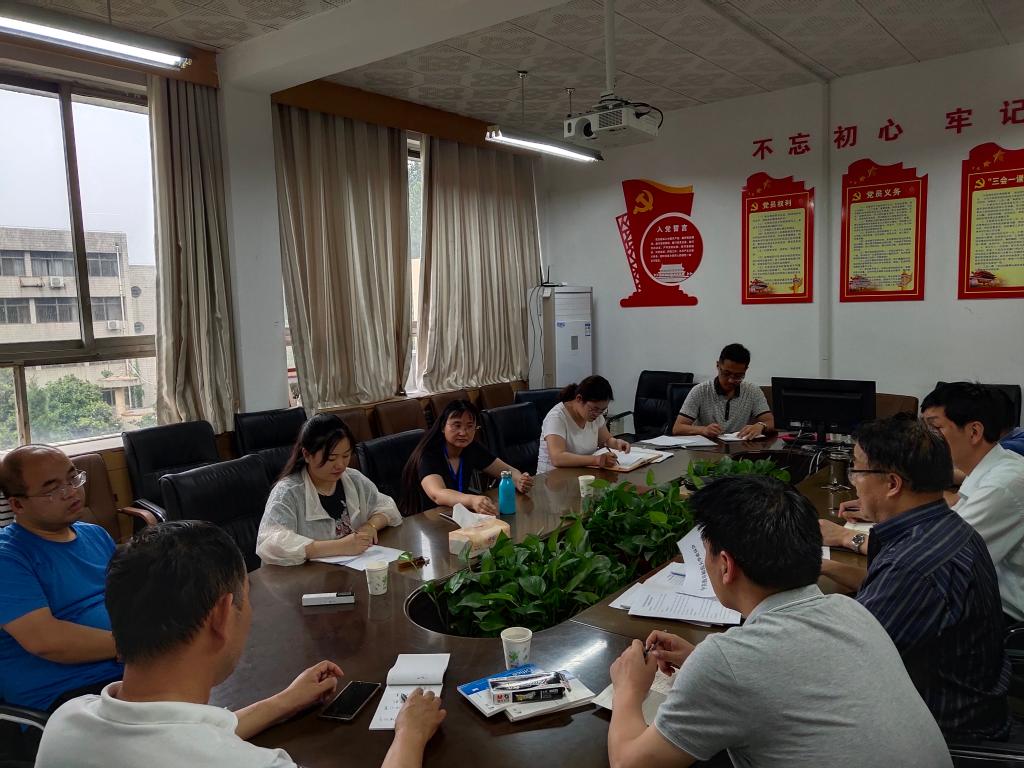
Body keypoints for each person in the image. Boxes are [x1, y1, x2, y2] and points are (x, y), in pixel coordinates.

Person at [607, 474, 951, 768]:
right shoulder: (851, 610)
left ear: (726, 565)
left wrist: (628, 688)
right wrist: (699, 660)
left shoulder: (726, 662)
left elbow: (628, 763)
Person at [36, 521, 445, 767]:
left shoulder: (66, 722)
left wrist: (283, 702)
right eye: (246, 600)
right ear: (220, 616)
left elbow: (180, 730)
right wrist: (409, 734)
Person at [819, 415, 1010, 741]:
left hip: (941, 730)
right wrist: (820, 566)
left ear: (893, 484)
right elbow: (884, 590)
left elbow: (839, 663)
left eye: (857, 470)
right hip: (965, 700)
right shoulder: (942, 527)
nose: (853, 482)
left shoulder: (914, 567)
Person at [0, 445, 122, 712]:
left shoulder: (95, 535)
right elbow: (46, 641)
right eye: (52, 489)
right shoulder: (8, 557)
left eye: (72, 478)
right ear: (17, 504)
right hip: (68, 694)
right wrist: (134, 645)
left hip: (131, 670)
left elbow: (130, 598)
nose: (71, 492)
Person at [257, 414, 402, 566]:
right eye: (331, 458)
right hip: (304, 577)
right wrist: (339, 547)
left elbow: (387, 507)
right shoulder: (288, 492)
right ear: (307, 455)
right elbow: (271, 543)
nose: (340, 465)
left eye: (346, 455)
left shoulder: (353, 479)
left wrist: (370, 526)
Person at [400, 400, 533, 516]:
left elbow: (506, 470)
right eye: (457, 425)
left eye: (470, 426)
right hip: (425, 520)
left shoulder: (471, 448)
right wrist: (472, 500)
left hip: (457, 516)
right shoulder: (428, 454)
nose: (463, 432)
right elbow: (437, 494)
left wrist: (519, 480)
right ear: (443, 427)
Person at [672, 343, 774, 439]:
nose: (731, 380)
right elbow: (677, 428)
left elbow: (770, 422)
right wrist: (703, 430)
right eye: (726, 373)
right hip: (706, 448)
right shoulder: (700, 391)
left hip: (738, 447)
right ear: (718, 365)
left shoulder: (752, 391)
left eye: (738, 376)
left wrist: (761, 425)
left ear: (745, 370)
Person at [536, 375, 630, 474]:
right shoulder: (557, 417)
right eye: (594, 409)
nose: (597, 414)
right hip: (552, 478)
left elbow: (606, 440)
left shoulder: (595, 416)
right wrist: (597, 460)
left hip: (582, 474)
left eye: (602, 410)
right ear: (579, 399)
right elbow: (557, 458)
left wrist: (616, 443)